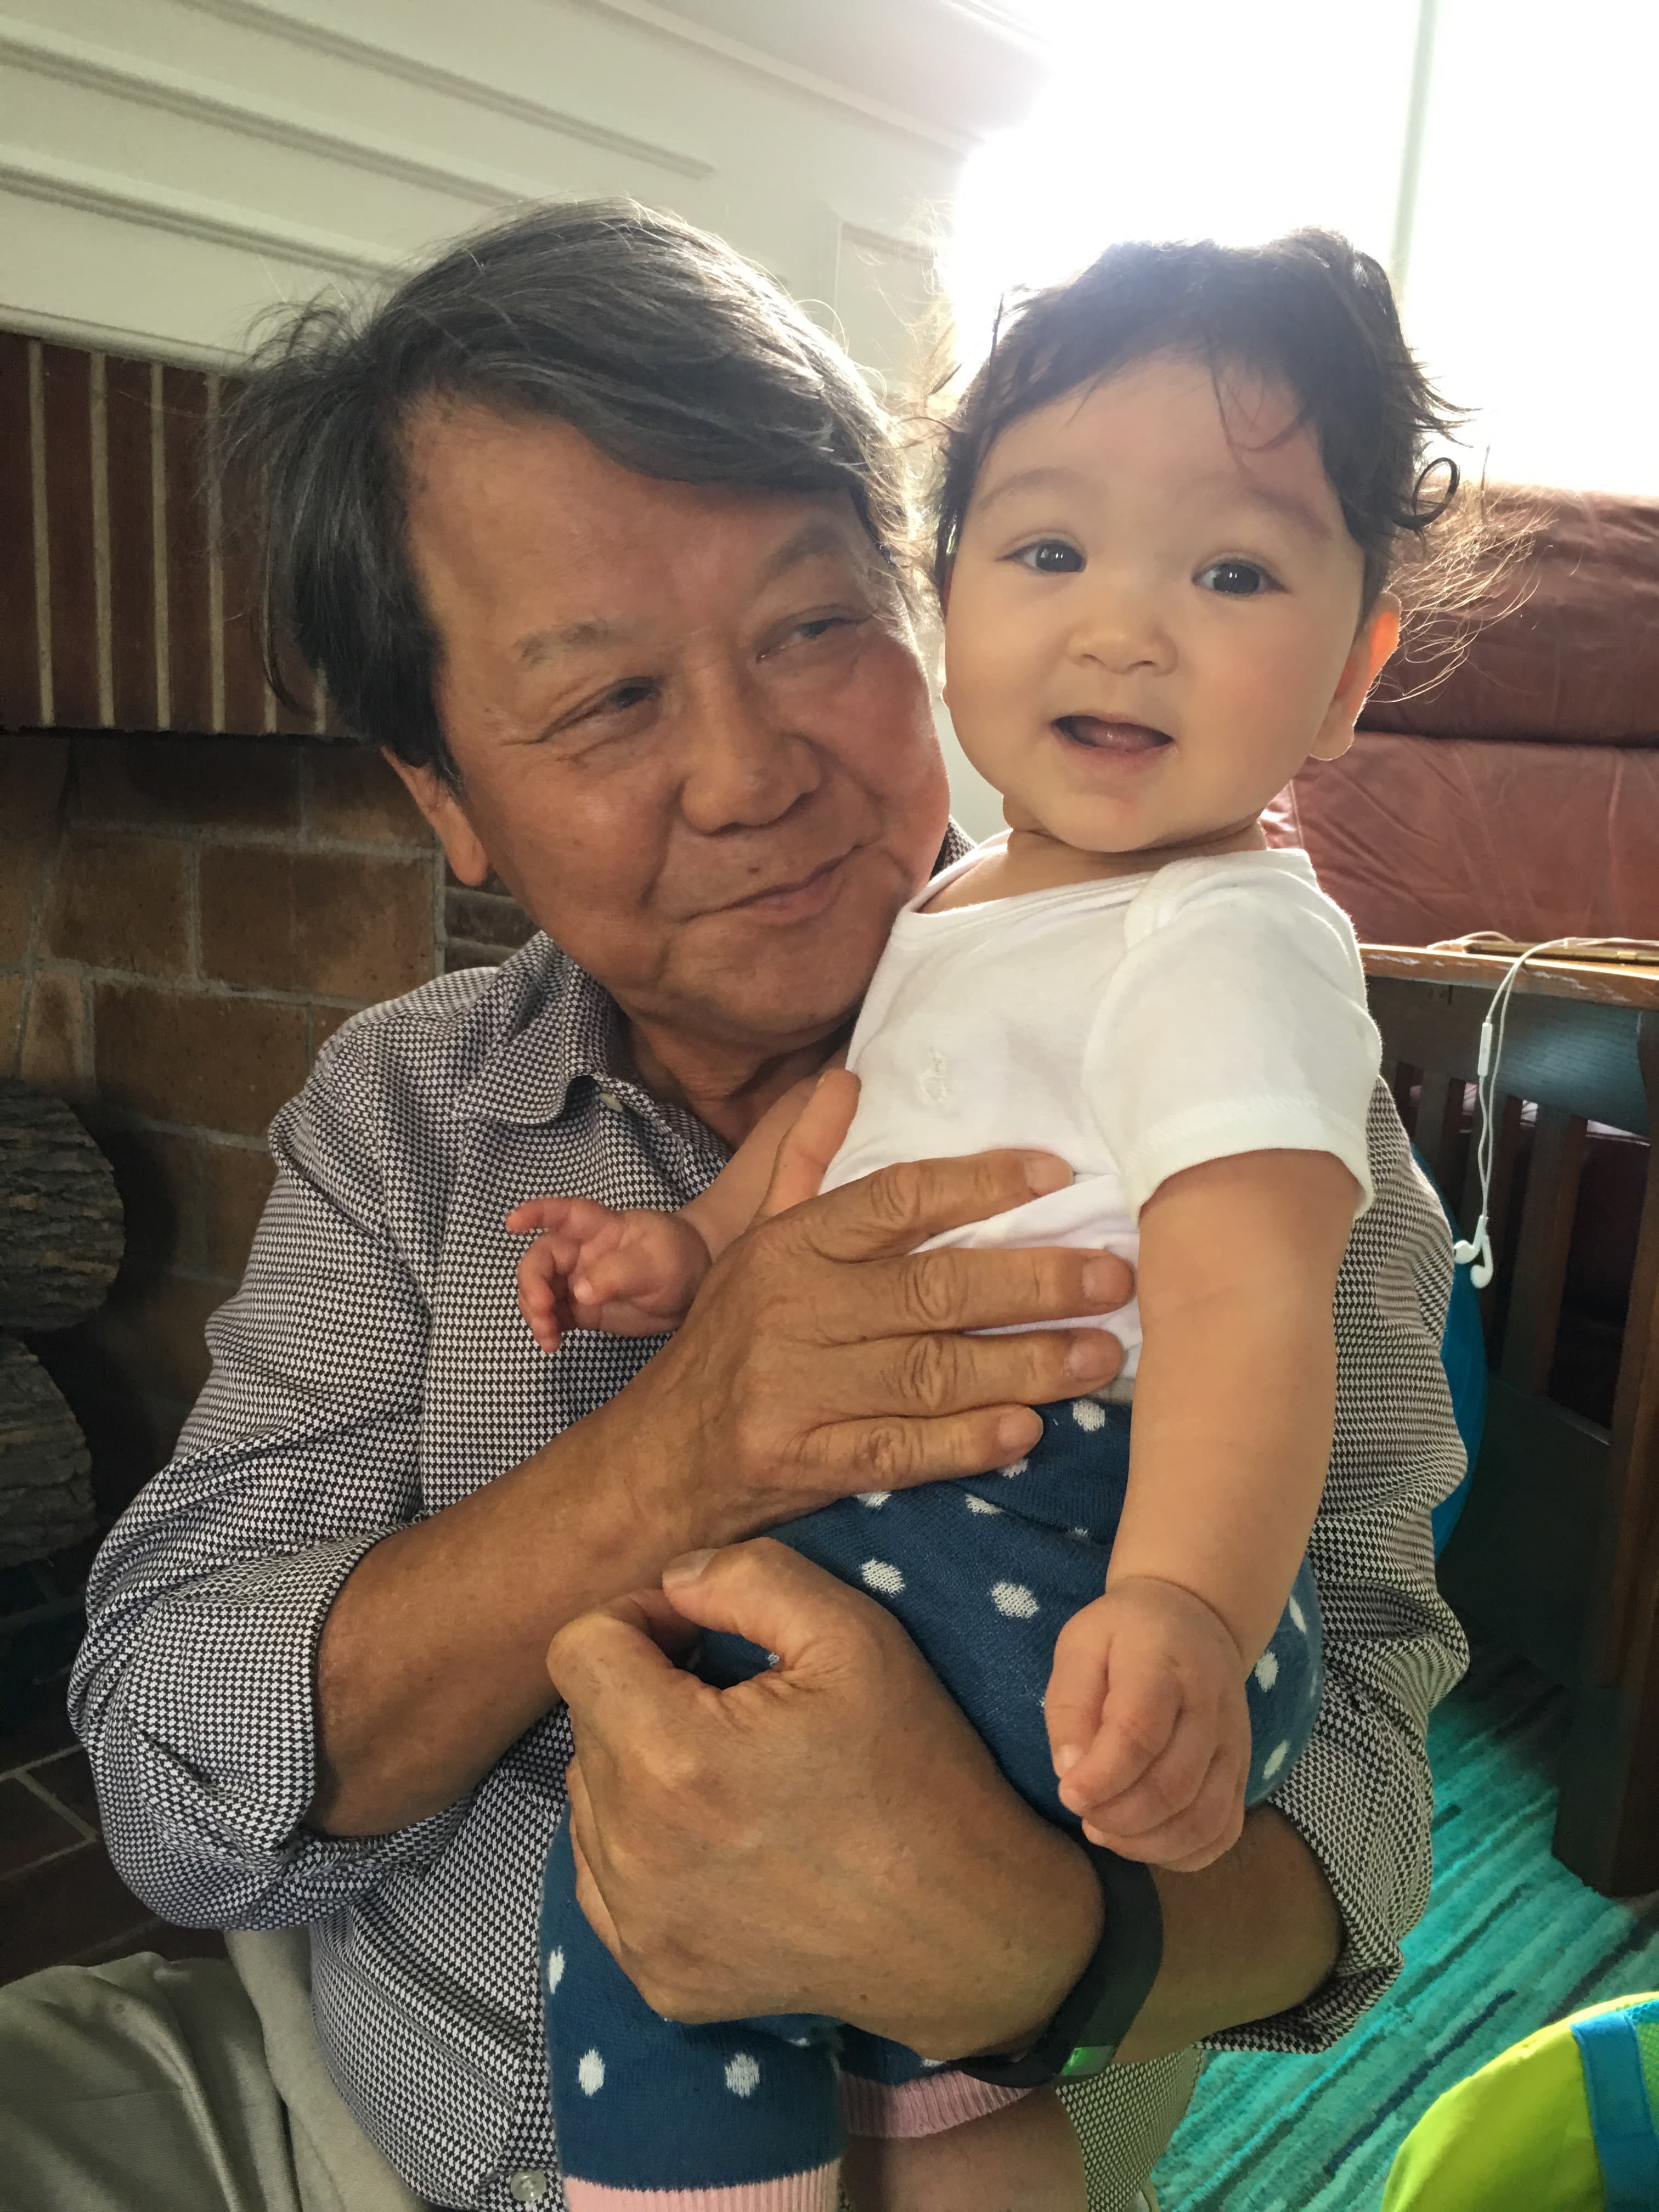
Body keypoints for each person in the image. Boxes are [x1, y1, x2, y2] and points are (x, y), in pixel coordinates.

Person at [4, 202, 1468, 2212]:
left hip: (949, 2143)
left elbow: (1368, 1773)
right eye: (609, 701)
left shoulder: (1238, 1082)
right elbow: (173, 1770)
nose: (752, 773)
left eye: (811, 629)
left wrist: (1039, 1946)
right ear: (444, 795)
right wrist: (680, 1444)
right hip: (327, 2117)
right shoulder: (409, 1112)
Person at [512, 233, 1460, 2212]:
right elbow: (851, 1143)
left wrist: (1187, 1601)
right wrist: (690, 1253)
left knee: (667, 1841)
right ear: (944, 607)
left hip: (1073, 1534)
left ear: (1355, 672)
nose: (1124, 630)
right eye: (1048, 552)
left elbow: (1252, 1301)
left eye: (1232, 574)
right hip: (990, 1539)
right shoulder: (969, 904)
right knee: (897, 2023)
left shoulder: (1227, 942)